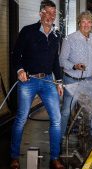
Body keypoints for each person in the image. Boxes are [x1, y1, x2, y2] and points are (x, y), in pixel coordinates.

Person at [10, 1, 64, 169]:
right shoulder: (28, 31)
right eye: (47, 12)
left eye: (53, 13)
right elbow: (15, 54)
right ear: (40, 14)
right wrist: (19, 70)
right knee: (21, 119)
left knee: (56, 119)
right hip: (29, 82)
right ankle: (14, 157)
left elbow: (55, 61)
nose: (51, 16)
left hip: (48, 81)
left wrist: (59, 81)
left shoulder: (56, 36)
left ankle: (55, 158)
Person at [59, 11, 92, 140]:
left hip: (89, 79)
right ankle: (60, 137)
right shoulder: (69, 39)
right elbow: (62, 60)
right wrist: (74, 66)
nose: (86, 24)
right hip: (72, 80)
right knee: (66, 112)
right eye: (83, 21)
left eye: (89, 22)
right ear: (79, 23)